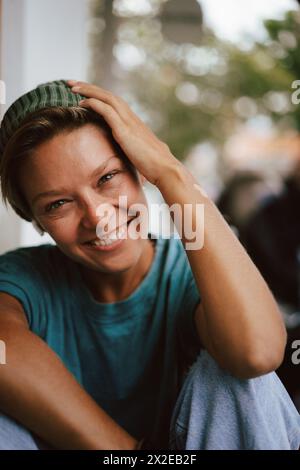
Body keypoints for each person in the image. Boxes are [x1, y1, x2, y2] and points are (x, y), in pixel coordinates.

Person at [0, 80, 299, 450]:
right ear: (36, 220)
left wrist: (171, 173)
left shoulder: (190, 273)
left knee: (235, 375)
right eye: (58, 203)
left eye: (107, 178)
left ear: (139, 168)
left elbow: (258, 353)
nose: (98, 217)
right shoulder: (24, 278)